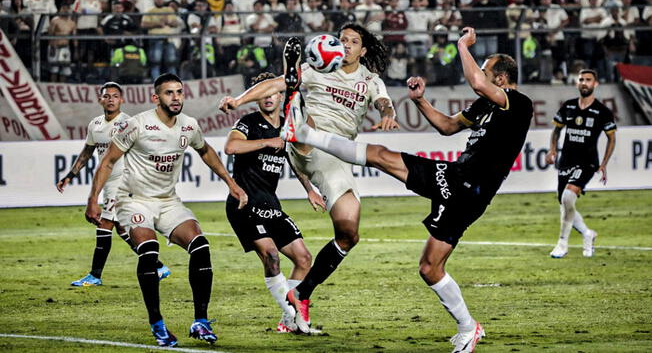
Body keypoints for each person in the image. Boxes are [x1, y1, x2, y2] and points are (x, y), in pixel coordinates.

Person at [280, 27, 534, 352]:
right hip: (456, 178)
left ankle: (468, 327)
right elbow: (447, 126)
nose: (480, 74)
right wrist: (420, 101)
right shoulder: (486, 106)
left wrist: (461, 45)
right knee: (382, 160)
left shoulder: (519, 103)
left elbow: (476, 82)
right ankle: (470, 328)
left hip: (470, 190)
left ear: (500, 79)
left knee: (430, 267)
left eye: (485, 70)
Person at [219, 23, 399, 334]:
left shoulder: (370, 80)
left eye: (352, 42)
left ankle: (300, 295)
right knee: (297, 110)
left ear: (363, 50)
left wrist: (387, 112)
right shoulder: (317, 68)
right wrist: (237, 101)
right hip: (307, 138)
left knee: (348, 232)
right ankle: (294, 102)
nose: (345, 45)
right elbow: (270, 85)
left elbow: (384, 100)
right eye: (341, 40)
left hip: (336, 155)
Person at [85, 73, 248, 347]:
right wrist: (93, 200)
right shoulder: (136, 125)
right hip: (134, 200)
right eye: (169, 93)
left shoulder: (188, 125)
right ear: (156, 98)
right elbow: (107, 161)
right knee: (149, 252)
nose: (176, 97)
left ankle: (201, 321)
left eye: (179, 92)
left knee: (201, 247)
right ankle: (157, 324)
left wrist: (231, 183)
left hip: (168, 200)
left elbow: (206, 151)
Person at [224, 72, 326, 333]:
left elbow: (293, 159)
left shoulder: (287, 126)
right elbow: (231, 147)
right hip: (244, 204)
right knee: (271, 256)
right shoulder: (248, 122)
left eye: (272, 93)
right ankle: (296, 317)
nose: (268, 98)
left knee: (304, 259)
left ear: (281, 96)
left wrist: (309, 189)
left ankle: (288, 320)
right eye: (263, 94)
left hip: (270, 204)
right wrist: (266, 142)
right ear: (256, 99)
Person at [57, 82, 169, 286]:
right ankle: (158, 266)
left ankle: (95, 276)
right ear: (100, 99)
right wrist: (70, 175)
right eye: (106, 96)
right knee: (122, 229)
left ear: (122, 100)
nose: (110, 99)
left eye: (115, 96)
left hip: (124, 181)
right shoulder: (95, 125)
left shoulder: (128, 123)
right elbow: (87, 153)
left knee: (105, 223)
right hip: (108, 182)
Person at [546, 69, 617, 258]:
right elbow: (556, 130)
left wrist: (604, 163)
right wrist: (552, 149)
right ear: (577, 83)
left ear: (595, 84)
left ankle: (562, 243)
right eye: (581, 80)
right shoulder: (568, 106)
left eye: (588, 80)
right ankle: (587, 233)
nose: (584, 83)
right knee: (564, 202)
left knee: (568, 197)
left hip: (587, 163)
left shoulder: (602, 111)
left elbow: (612, 138)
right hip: (566, 160)